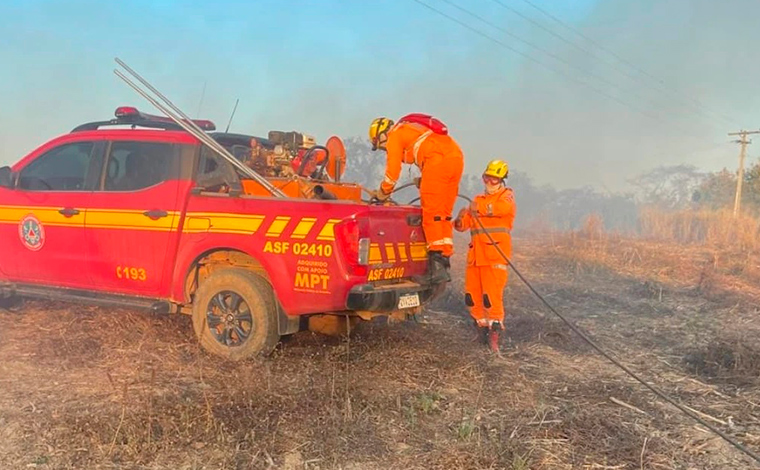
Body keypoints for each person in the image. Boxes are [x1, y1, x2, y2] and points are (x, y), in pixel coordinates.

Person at [368, 114, 464, 282]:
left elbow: (393, 171)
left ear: (381, 135)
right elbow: (428, 150)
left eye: (380, 145)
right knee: (444, 215)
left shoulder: (394, 135)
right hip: (455, 159)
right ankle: (444, 262)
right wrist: (427, 176)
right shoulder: (412, 130)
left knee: (432, 215)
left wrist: (384, 191)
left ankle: (436, 269)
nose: (384, 149)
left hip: (437, 161)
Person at [454, 159, 516, 353]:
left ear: (502, 180)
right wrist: (460, 218)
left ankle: (494, 337)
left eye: (494, 179)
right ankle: (480, 331)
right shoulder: (478, 199)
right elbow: (463, 226)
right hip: (475, 257)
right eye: (486, 178)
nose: (489, 183)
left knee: (492, 297)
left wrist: (478, 209)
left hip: (494, 256)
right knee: (472, 297)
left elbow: (502, 210)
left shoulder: (506, 197)